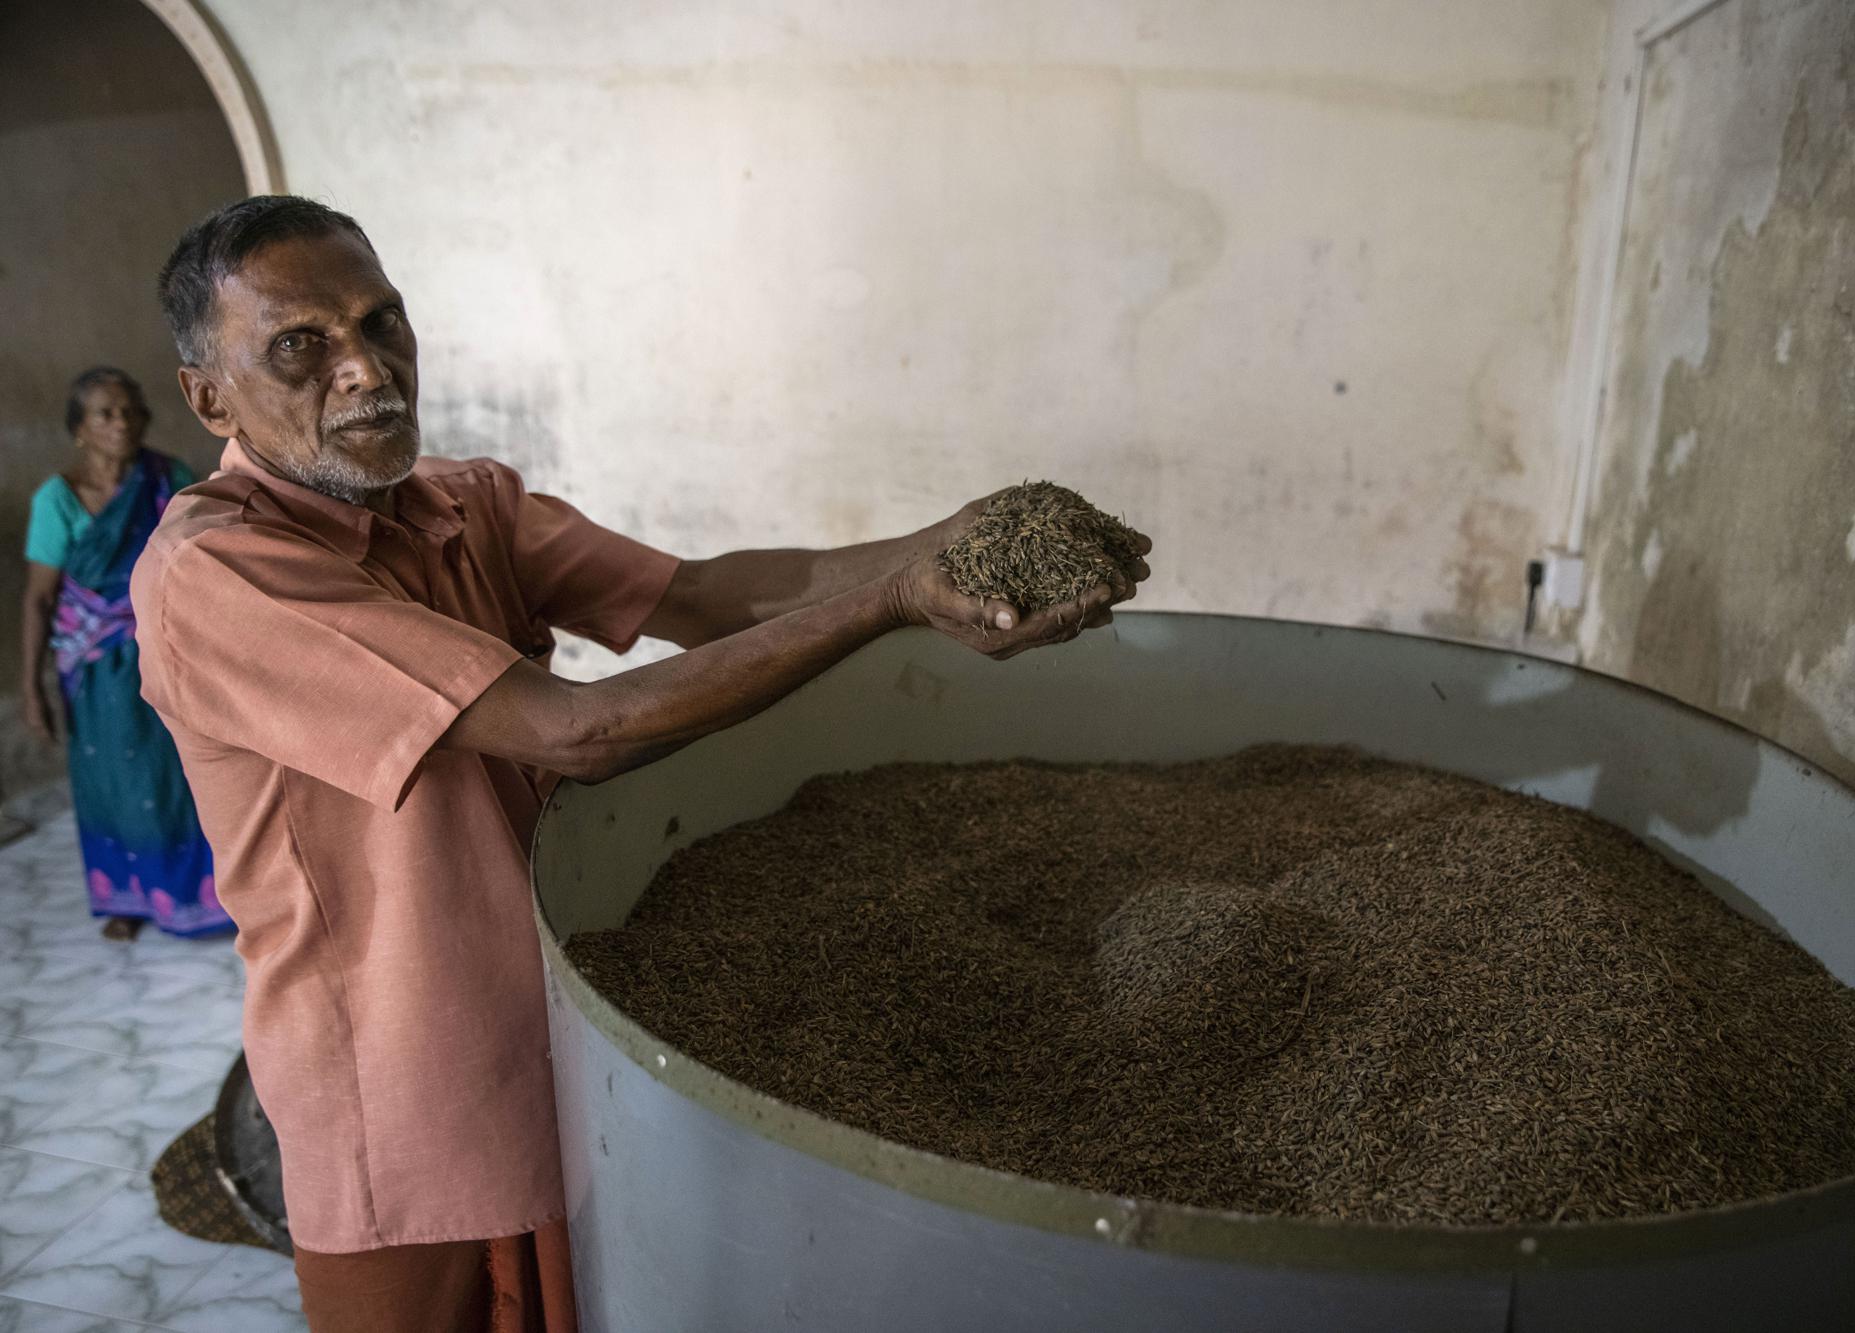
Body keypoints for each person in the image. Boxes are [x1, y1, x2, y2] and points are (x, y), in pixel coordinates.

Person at [132, 195, 1148, 1333]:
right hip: (401, 1085)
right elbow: (579, 730)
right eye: (301, 346)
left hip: (565, 1031)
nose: (366, 370)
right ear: (208, 395)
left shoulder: (465, 505)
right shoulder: (218, 574)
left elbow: (705, 597)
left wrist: (949, 539)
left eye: (383, 324)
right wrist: (894, 602)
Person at [19, 367, 225, 941]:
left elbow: (192, 569)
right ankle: (127, 897)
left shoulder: (169, 479)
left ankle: (201, 891)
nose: (122, 422)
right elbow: (39, 599)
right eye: (105, 413)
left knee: (178, 773)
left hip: (165, 647)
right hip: (93, 665)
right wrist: (32, 686)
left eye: (131, 410)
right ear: (79, 429)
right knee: (110, 777)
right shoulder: (57, 501)